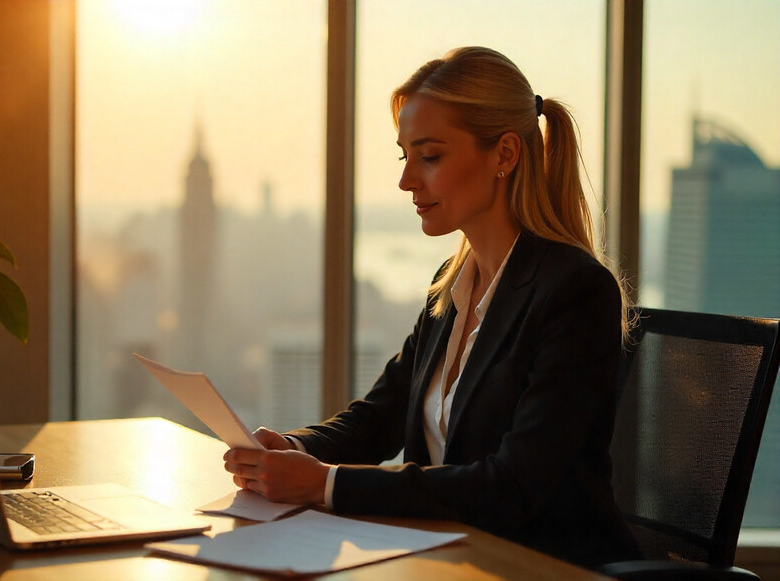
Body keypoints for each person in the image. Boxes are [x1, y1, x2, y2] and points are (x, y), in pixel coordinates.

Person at [223, 46, 642, 568]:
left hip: (541, 568)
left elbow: (512, 485)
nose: (406, 181)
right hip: (449, 557)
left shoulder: (576, 292)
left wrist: (326, 486)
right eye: (406, 157)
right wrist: (294, 448)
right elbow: (381, 417)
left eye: (431, 156)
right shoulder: (450, 288)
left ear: (505, 155)